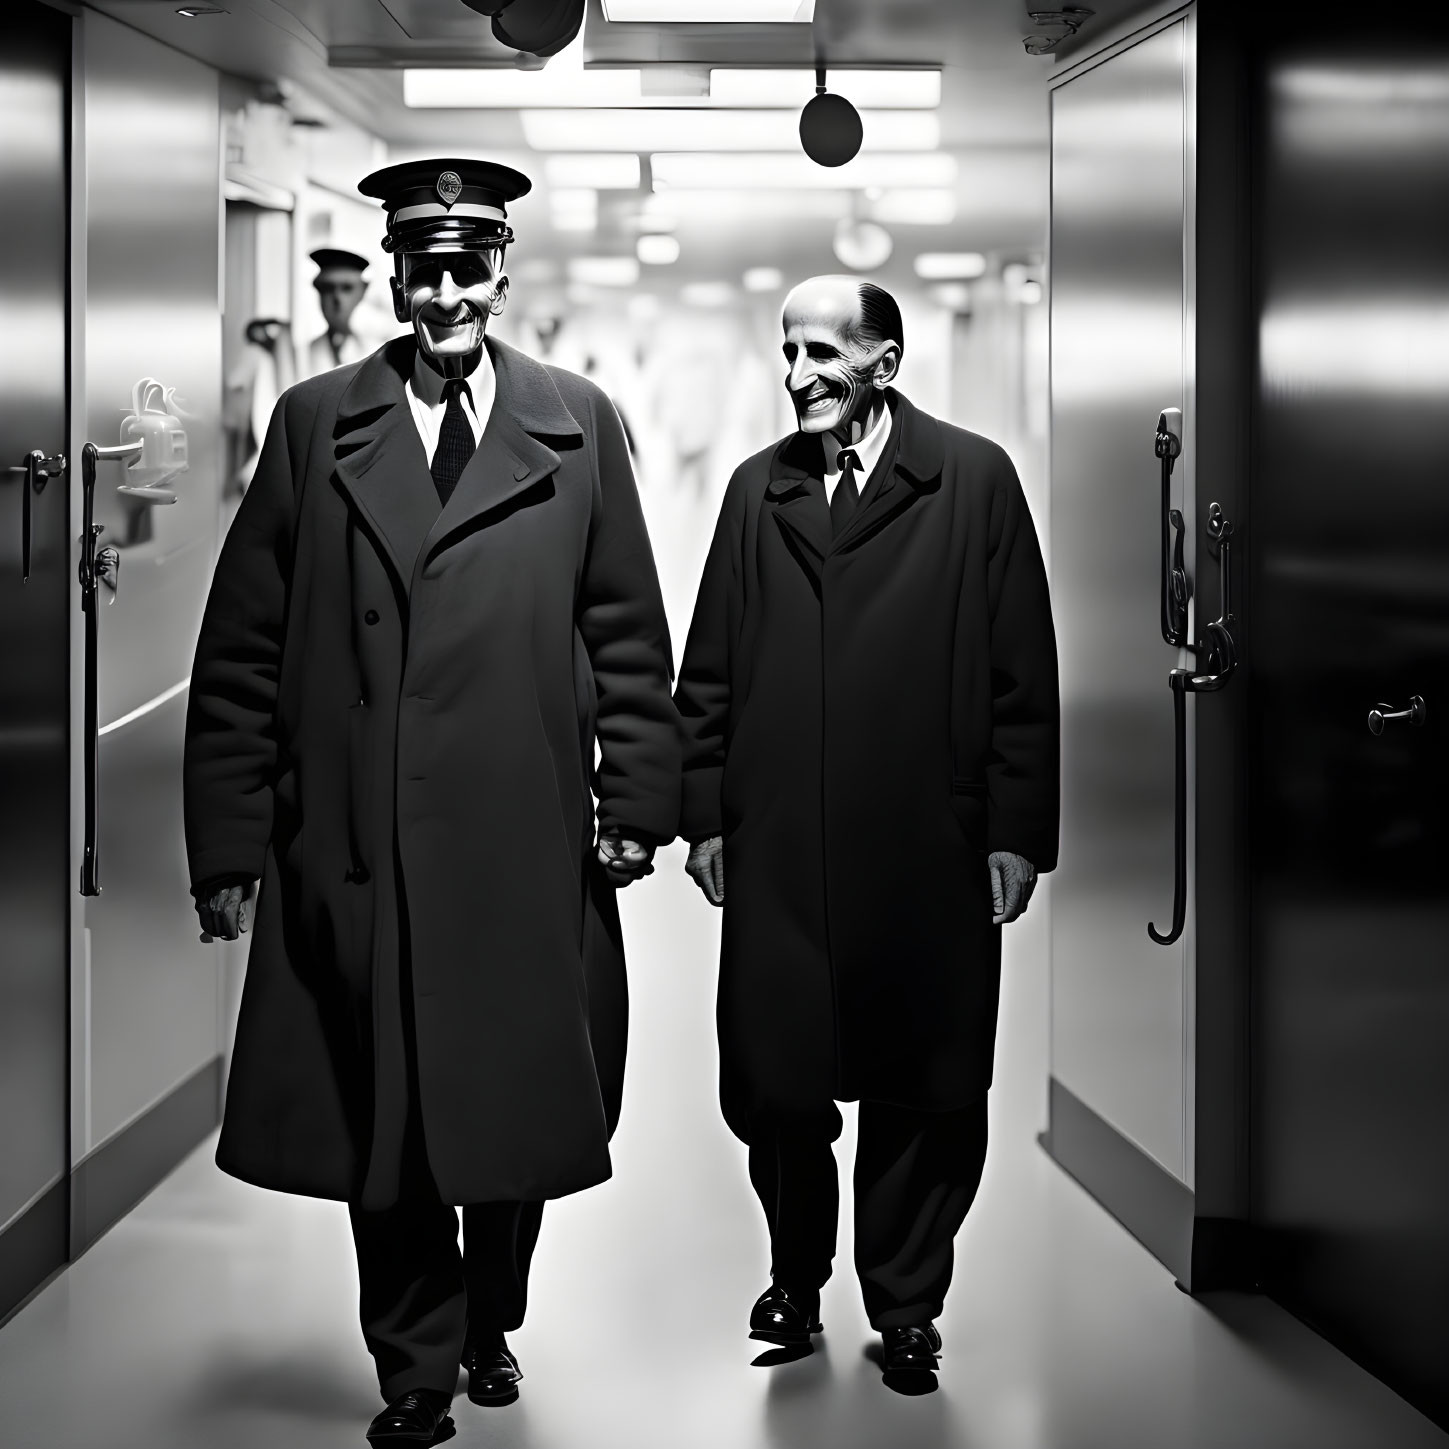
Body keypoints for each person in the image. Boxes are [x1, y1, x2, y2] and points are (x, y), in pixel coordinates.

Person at [184, 157, 679, 1446]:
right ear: (398, 276)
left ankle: (488, 1315)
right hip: (358, 845)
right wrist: (232, 840)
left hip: (524, 840)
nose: (445, 290)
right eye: (425, 268)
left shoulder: (578, 424)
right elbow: (243, 645)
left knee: (514, 1102)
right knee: (384, 1119)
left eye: (469, 267)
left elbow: (627, 631)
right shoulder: (314, 424)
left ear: (504, 272)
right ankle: (416, 1364)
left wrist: (635, 801)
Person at [674, 275, 1059, 1385]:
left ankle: (903, 1302)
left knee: (922, 1083)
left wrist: (1016, 829)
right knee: (776, 1082)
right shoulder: (758, 492)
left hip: (924, 844)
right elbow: (710, 668)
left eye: (822, 355)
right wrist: (705, 812)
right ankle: (796, 1280)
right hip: (781, 844)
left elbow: (1021, 674)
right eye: (787, 352)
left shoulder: (973, 483)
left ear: (883, 363)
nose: (797, 377)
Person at [300, 246, 374, 378]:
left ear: (362, 292)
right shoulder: (304, 354)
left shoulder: (377, 349)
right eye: (328, 289)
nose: (337, 299)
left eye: (347, 288)